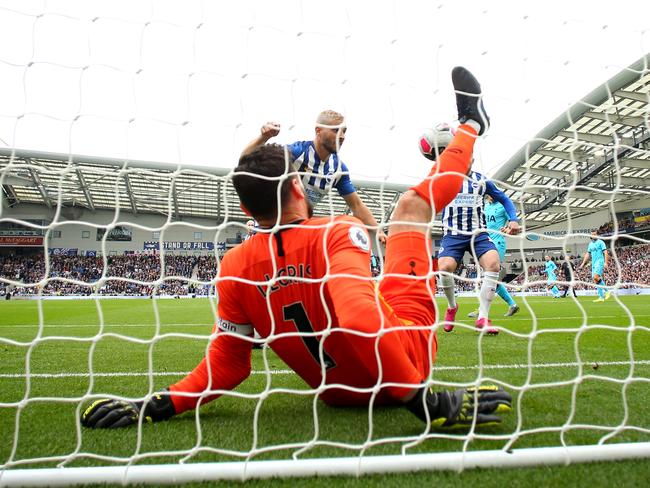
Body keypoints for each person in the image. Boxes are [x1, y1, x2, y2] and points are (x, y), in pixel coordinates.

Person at [81, 67, 512, 431]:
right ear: (295, 186)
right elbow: (361, 318)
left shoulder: (233, 266)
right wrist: (426, 403)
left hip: (339, 394)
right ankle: (471, 126)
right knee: (412, 207)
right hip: (405, 364)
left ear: (247, 208)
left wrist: (155, 404)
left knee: (361, 292)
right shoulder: (336, 232)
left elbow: (229, 366)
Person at [240, 110, 387, 246]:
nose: (342, 136)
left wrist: (378, 229)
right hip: (270, 226)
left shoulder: (338, 169)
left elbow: (356, 205)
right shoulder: (297, 152)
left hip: (300, 228)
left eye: (344, 131)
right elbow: (247, 160)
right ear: (318, 131)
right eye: (336, 130)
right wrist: (264, 137)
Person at [435, 157, 521, 335]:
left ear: (471, 159)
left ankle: (483, 317)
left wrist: (513, 219)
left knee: (493, 264)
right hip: (453, 234)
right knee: (444, 268)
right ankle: (452, 307)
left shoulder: (481, 180)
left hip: (478, 234)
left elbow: (504, 199)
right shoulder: (443, 178)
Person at [466, 193, 520, 318]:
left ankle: (482, 309)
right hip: (486, 243)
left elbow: (512, 224)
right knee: (491, 279)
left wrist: (507, 229)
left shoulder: (502, 206)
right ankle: (512, 305)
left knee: (490, 277)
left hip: (498, 243)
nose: (491, 196)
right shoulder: (485, 206)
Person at [579, 230, 611, 302]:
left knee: (596, 277)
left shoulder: (601, 242)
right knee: (596, 280)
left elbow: (605, 252)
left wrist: (606, 262)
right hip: (593, 263)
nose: (594, 235)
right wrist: (583, 263)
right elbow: (588, 254)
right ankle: (601, 297)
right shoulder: (590, 244)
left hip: (600, 262)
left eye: (595, 234)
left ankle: (607, 291)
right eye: (593, 234)